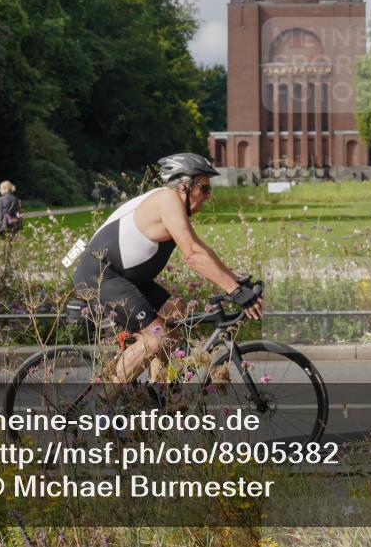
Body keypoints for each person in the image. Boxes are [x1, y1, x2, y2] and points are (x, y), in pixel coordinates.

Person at [73, 153, 263, 385]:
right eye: (204, 188)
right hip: (101, 275)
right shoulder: (167, 200)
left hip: (126, 277)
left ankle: (160, 390)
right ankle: (101, 405)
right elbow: (192, 255)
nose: (208, 195)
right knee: (156, 339)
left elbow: (204, 251)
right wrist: (236, 292)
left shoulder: (174, 206)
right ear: (185, 185)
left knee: (176, 311)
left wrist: (238, 283)